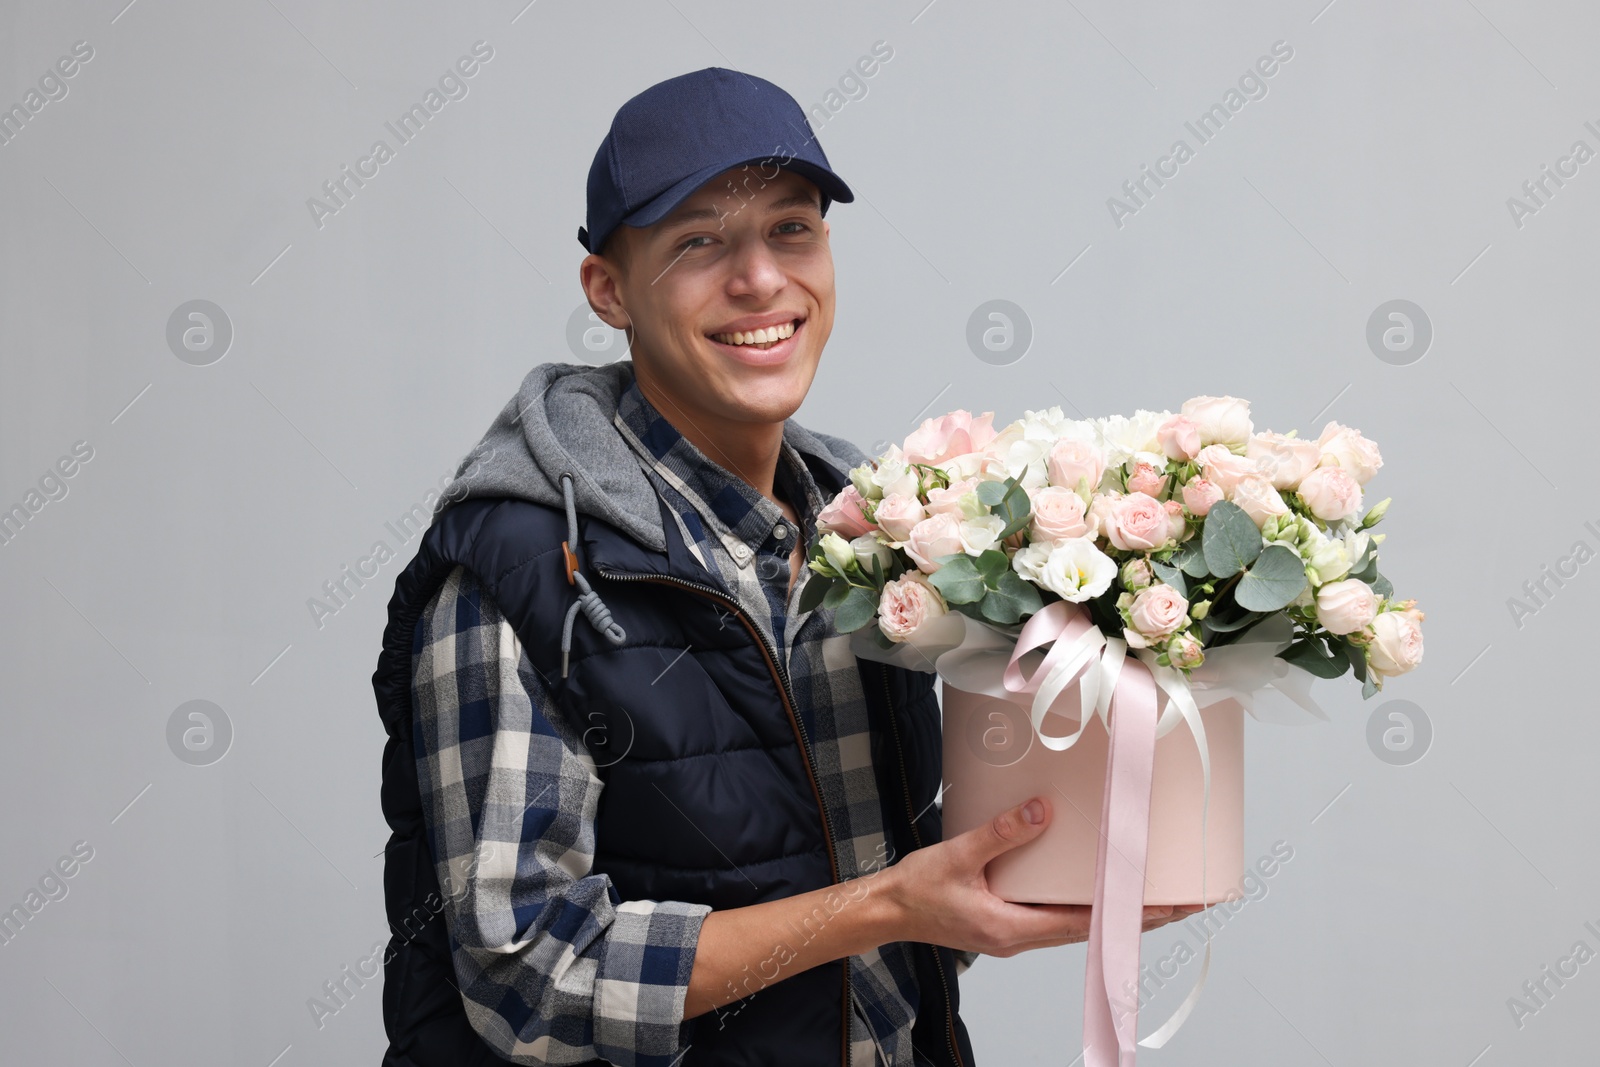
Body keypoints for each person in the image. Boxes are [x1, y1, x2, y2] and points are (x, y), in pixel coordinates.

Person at [371, 66, 1197, 1067]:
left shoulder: (873, 528)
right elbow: (529, 978)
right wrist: (888, 903)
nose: (759, 279)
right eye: (698, 241)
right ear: (607, 289)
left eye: (790, 228)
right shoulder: (527, 568)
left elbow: (881, 884)